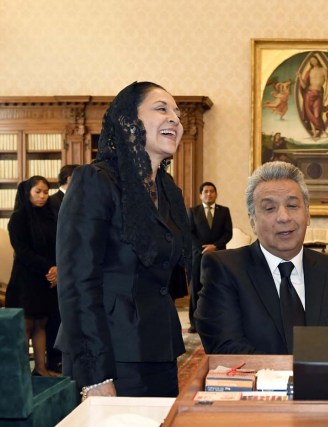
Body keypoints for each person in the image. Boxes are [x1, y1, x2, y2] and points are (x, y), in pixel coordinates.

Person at [55, 81, 191, 398]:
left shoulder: (170, 190)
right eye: (162, 108)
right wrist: (96, 376)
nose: (174, 118)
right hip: (109, 355)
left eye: (178, 113)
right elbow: (77, 283)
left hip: (159, 351)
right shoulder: (96, 180)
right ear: (128, 122)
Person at [195, 161, 328, 354]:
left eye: (292, 205)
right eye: (269, 208)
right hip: (258, 383)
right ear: (252, 221)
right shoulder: (224, 270)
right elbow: (226, 347)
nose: (284, 217)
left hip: (325, 383)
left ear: (307, 214)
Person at [6, 176, 58, 377]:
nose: (43, 196)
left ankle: (41, 368)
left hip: (46, 280)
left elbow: (57, 246)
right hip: (25, 280)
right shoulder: (18, 217)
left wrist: (57, 268)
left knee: (41, 325)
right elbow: (23, 251)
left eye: (46, 192)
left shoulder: (50, 216)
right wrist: (50, 268)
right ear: (28, 192)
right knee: (25, 327)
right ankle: (20, 375)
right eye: (38, 191)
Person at [45, 163, 79, 373]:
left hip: (73, 266)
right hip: (56, 267)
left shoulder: (78, 199)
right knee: (56, 317)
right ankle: (55, 358)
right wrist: (56, 267)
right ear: (70, 179)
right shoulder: (52, 203)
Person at [187, 181, 232, 333]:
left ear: (216, 194)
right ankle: (195, 323)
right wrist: (204, 248)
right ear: (201, 195)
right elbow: (190, 233)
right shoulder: (193, 211)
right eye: (205, 191)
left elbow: (228, 233)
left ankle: (217, 321)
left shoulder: (224, 211)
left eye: (212, 191)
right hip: (198, 256)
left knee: (218, 288)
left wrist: (215, 246)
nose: (209, 194)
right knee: (196, 289)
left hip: (219, 255)